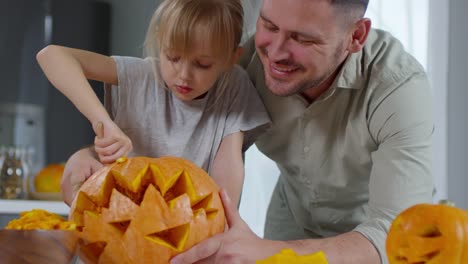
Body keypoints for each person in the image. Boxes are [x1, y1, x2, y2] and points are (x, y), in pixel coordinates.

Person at [169, 0, 434, 264]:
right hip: (290, 219)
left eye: (303, 39)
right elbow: (161, 78)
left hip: (368, 241)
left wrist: (264, 251)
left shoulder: (397, 88)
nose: (276, 53)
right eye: (269, 26)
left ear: (356, 36)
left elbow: (396, 231)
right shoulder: (244, 65)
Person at [36, 0, 270, 208]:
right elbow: (51, 55)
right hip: (120, 221)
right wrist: (103, 123)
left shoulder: (234, 86)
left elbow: (224, 187)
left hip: (188, 234)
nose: (184, 75)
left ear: (232, 58)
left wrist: (224, 229)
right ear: (160, 42)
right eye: (173, 57)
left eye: (202, 64)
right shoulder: (142, 75)